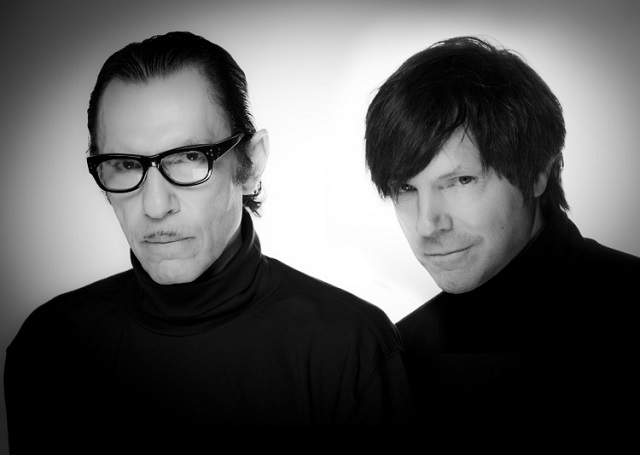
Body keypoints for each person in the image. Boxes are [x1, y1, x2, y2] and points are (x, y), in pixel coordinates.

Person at [4, 31, 413, 450]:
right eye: (125, 164)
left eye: (189, 157)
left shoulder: (351, 346)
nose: (156, 206)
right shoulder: (48, 347)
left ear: (251, 163)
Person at [365, 36, 639, 427]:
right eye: (406, 189)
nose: (427, 225)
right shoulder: (396, 359)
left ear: (538, 173)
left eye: (461, 180)